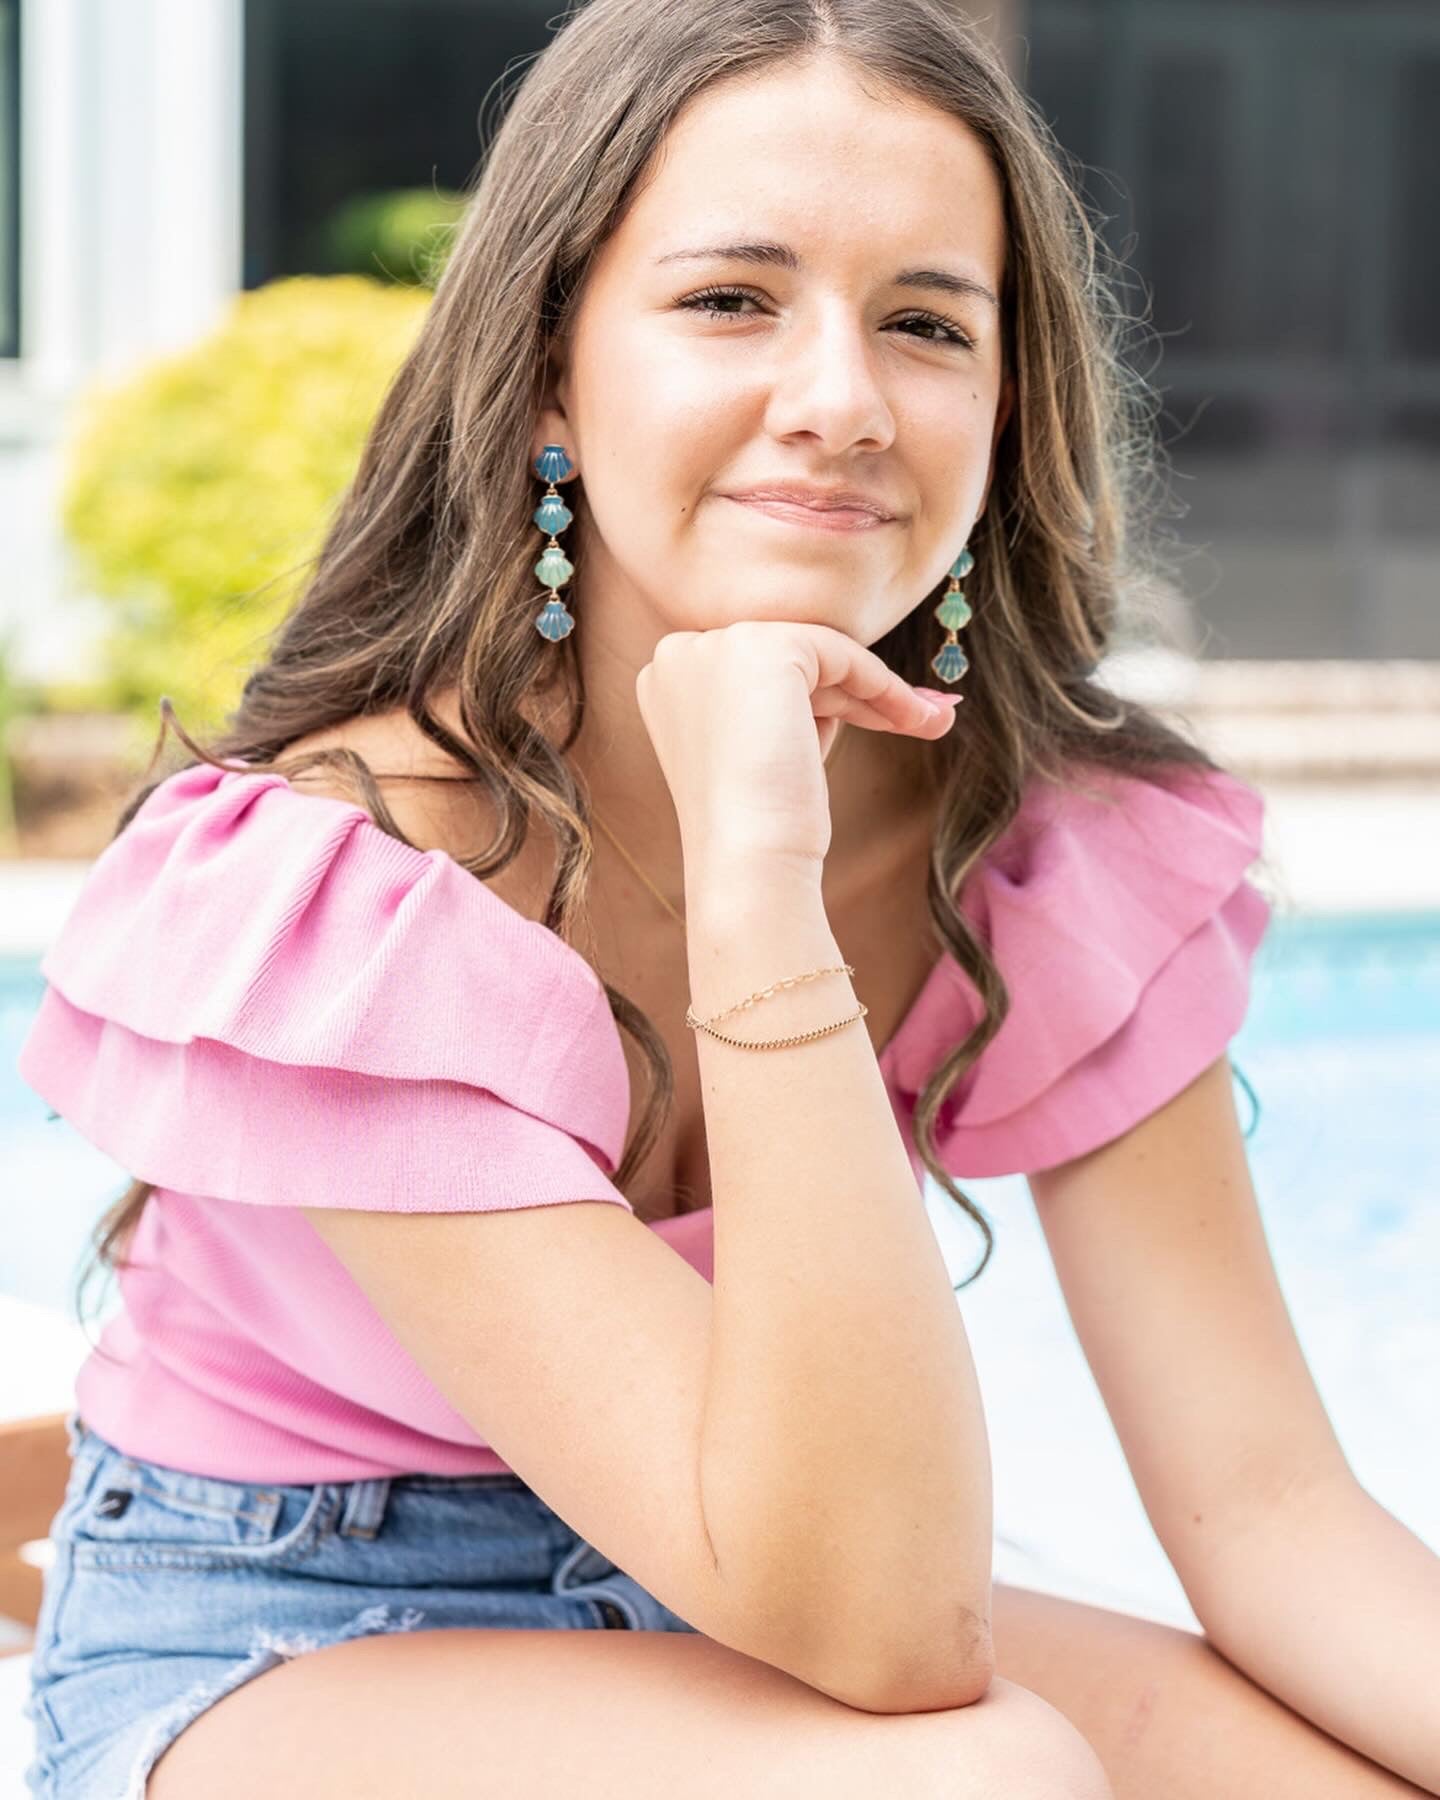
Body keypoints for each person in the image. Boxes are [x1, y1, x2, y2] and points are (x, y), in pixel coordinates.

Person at [18, 4, 1438, 1798]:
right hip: (286, 1632)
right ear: (550, 371)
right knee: (984, 1781)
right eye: (730, 301)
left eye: (928, 324)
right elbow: (892, 1630)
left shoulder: (1042, 849)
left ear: (1007, 402)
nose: (842, 402)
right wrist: (758, 876)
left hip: (728, 1609)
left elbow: (1274, 1508)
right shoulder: (349, 887)